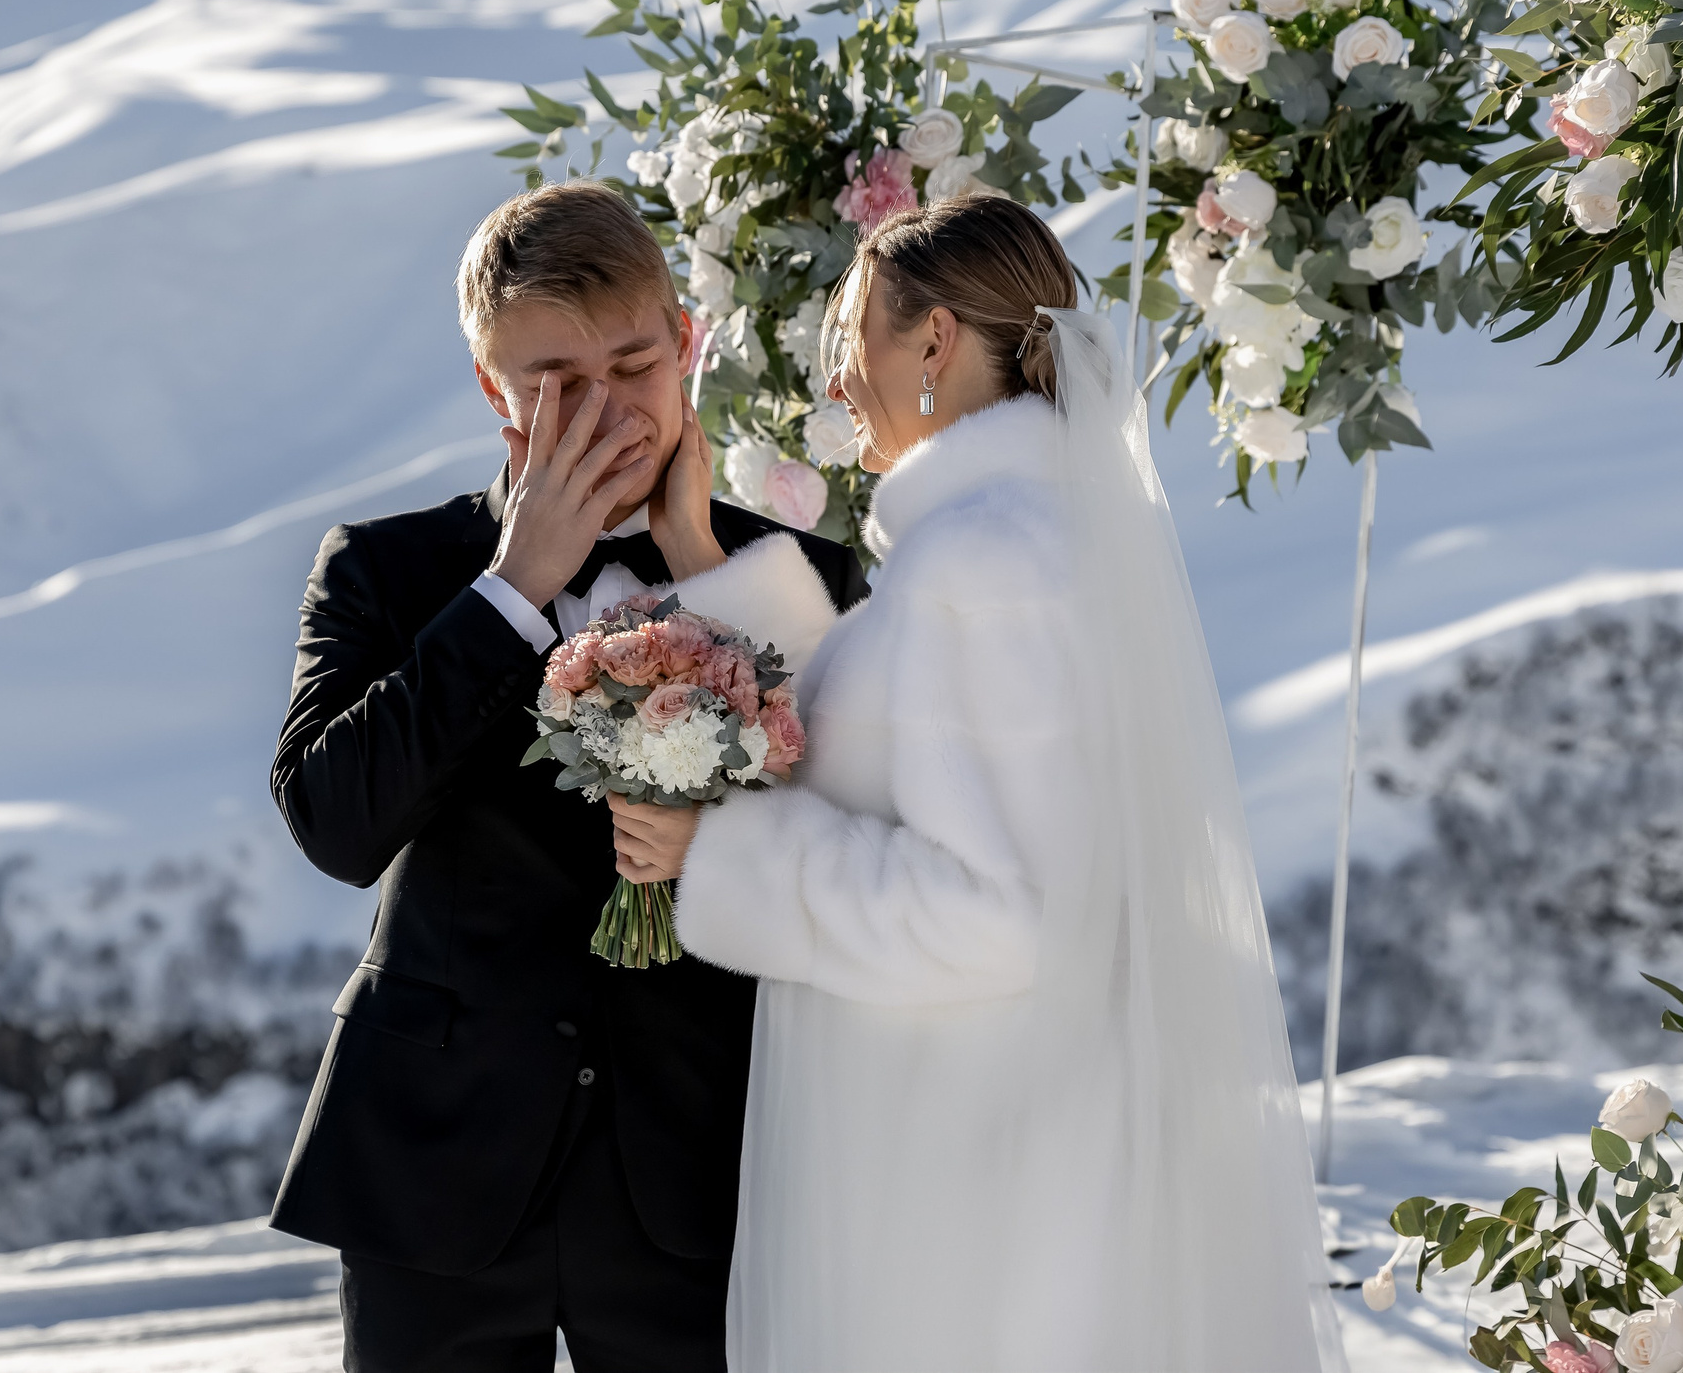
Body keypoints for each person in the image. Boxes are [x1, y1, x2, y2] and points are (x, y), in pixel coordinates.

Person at [608, 196, 1344, 1371]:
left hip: (972, 1191)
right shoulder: (1020, 541)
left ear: (936, 342)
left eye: (853, 336)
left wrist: (723, 856)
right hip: (999, 1156)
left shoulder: (984, 565)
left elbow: (992, 918)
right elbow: (888, 742)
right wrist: (702, 556)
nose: (837, 379)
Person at [266, 180, 867, 1373]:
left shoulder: (805, 577)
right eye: (553, 384)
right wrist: (508, 591)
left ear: (687, 343)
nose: (602, 412)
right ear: (493, 389)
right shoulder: (386, 571)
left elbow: (842, 836)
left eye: (633, 365)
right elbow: (337, 826)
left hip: (701, 1178)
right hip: (434, 1171)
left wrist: (705, 571)